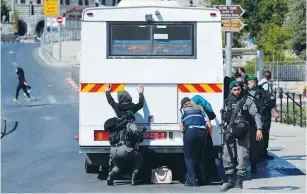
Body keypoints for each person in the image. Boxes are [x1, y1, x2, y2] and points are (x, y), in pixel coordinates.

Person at [220, 80, 263, 192]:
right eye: (234, 90)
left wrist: (259, 129)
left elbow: (256, 114)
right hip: (230, 131)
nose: (237, 92)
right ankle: (230, 180)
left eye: (238, 89)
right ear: (231, 90)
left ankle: (239, 182)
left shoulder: (247, 100)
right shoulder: (227, 101)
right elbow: (225, 115)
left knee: (242, 156)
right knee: (226, 155)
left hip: (243, 132)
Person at [104, 112, 145, 186]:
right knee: (139, 156)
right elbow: (136, 132)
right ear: (131, 118)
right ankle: (133, 177)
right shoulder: (129, 124)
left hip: (113, 151)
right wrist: (140, 134)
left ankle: (110, 176)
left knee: (118, 166)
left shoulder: (117, 126)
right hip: (124, 149)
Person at [180, 97, 212, 186]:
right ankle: (202, 180)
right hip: (202, 134)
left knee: (189, 157)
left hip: (190, 132)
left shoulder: (183, 111)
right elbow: (209, 125)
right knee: (200, 157)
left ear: (183, 105)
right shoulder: (200, 109)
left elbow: (182, 128)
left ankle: (192, 181)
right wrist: (209, 135)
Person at [258, 71, 280, 160]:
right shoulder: (266, 85)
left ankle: (259, 152)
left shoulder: (259, 83)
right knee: (265, 132)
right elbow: (268, 101)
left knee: (260, 130)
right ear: (270, 77)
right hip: (265, 112)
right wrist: (275, 112)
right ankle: (263, 153)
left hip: (259, 111)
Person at [247, 76, 265, 173]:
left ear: (253, 83)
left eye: (249, 83)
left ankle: (254, 163)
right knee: (253, 145)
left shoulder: (256, 93)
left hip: (254, 121)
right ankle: (254, 163)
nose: (248, 84)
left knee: (253, 145)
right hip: (254, 121)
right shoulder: (256, 92)